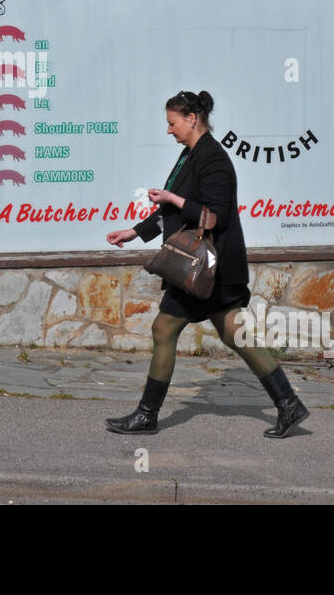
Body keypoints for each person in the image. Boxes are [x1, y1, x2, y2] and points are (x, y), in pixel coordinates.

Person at [104, 90, 309, 438]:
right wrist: (135, 232)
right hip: (209, 270)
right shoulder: (190, 155)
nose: (169, 130)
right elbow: (171, 210)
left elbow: (216, 216)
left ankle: (147, 415)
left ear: (192, 119)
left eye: (172, 123)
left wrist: (173, 197)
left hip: (208, 270)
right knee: (233, 333)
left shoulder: (213, 159)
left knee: (164, 328)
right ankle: (289, 405)